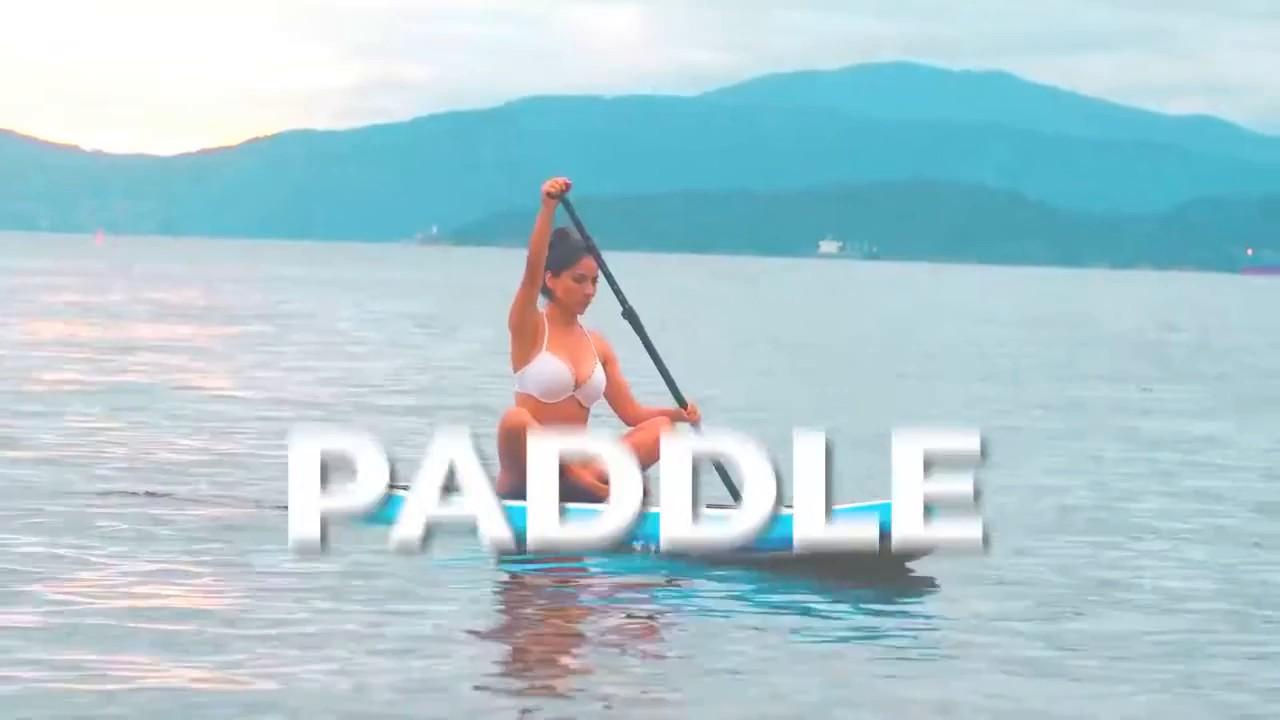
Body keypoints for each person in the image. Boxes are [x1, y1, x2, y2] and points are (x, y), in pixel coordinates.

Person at [495, 176, 700, 503]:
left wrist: (679, 413)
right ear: (551, 279)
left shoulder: (597, 345)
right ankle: (589, 485)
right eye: (579, 280)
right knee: (514, 420)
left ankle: (585, 480)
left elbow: (632, 414)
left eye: (594, 282)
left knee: (661, 429)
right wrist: (547, 208)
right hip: (529, 476)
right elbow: (531, 272)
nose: (589, 291)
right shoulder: (529, 327)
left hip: (583, 469)